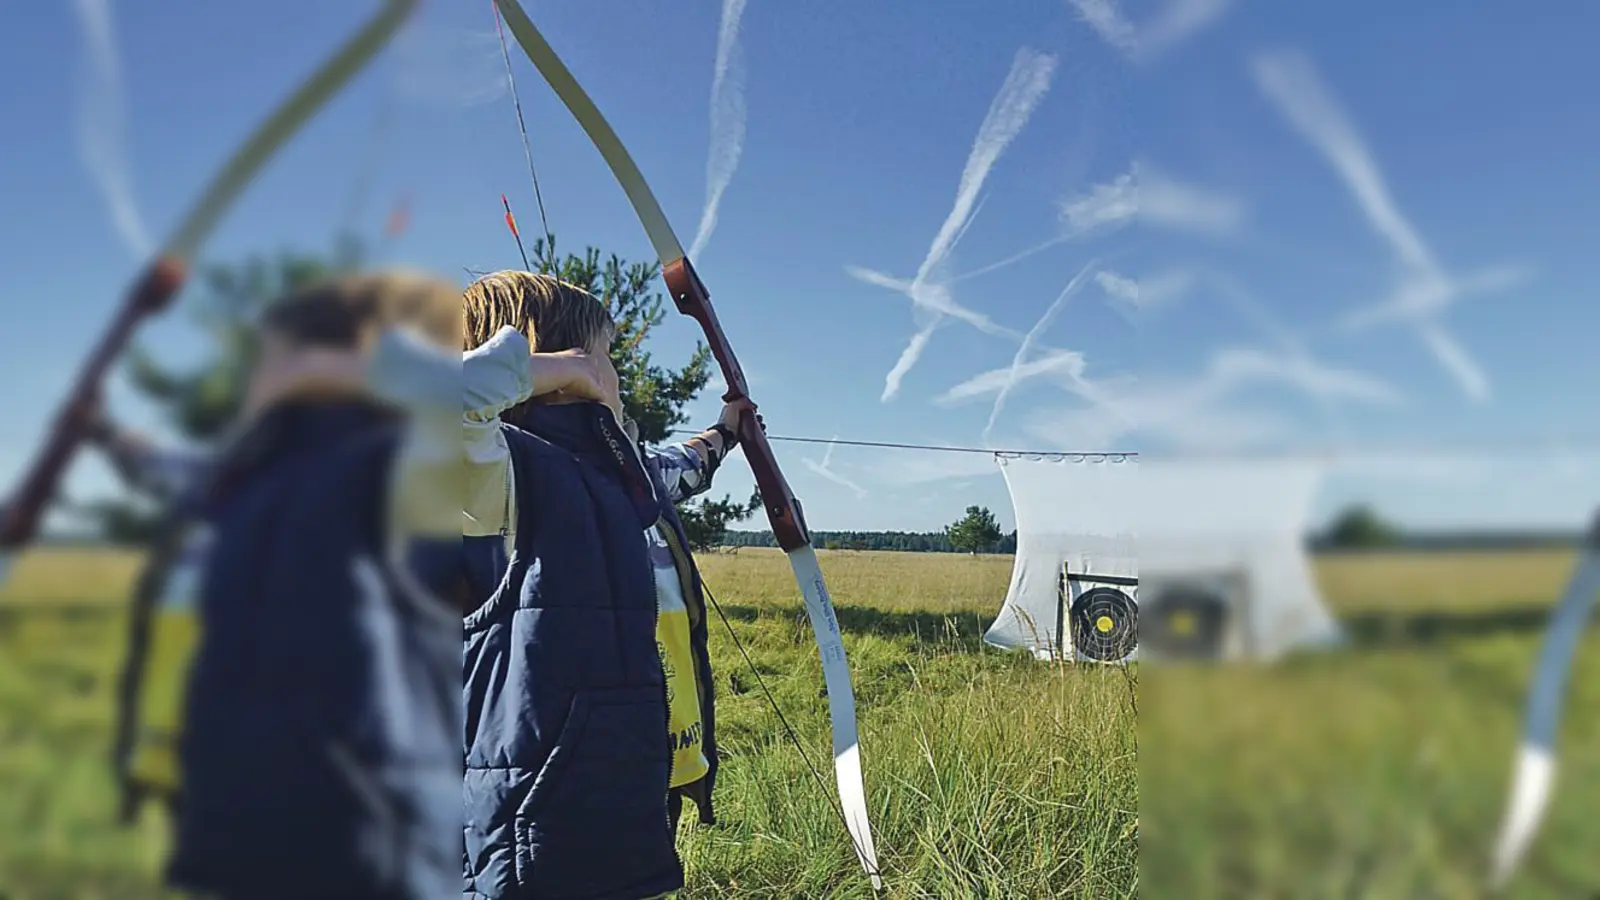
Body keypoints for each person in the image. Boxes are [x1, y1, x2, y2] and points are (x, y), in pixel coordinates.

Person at [86, 269, 465, 900]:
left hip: (364, 841)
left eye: (273, 358)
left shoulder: (398, 464)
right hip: (236, 822)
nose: (258, 379)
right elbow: (170, 471)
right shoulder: (249, 471)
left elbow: (465, 401)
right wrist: (106, 435)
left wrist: (343, 370)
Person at [460, 270, 756, 899]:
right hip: (544, 810)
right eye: (607, 357)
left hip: (628, 772)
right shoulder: (496, 471)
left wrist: (726, 431)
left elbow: (683, 468)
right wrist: (553, 367)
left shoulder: (625, 475)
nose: (613, 374)